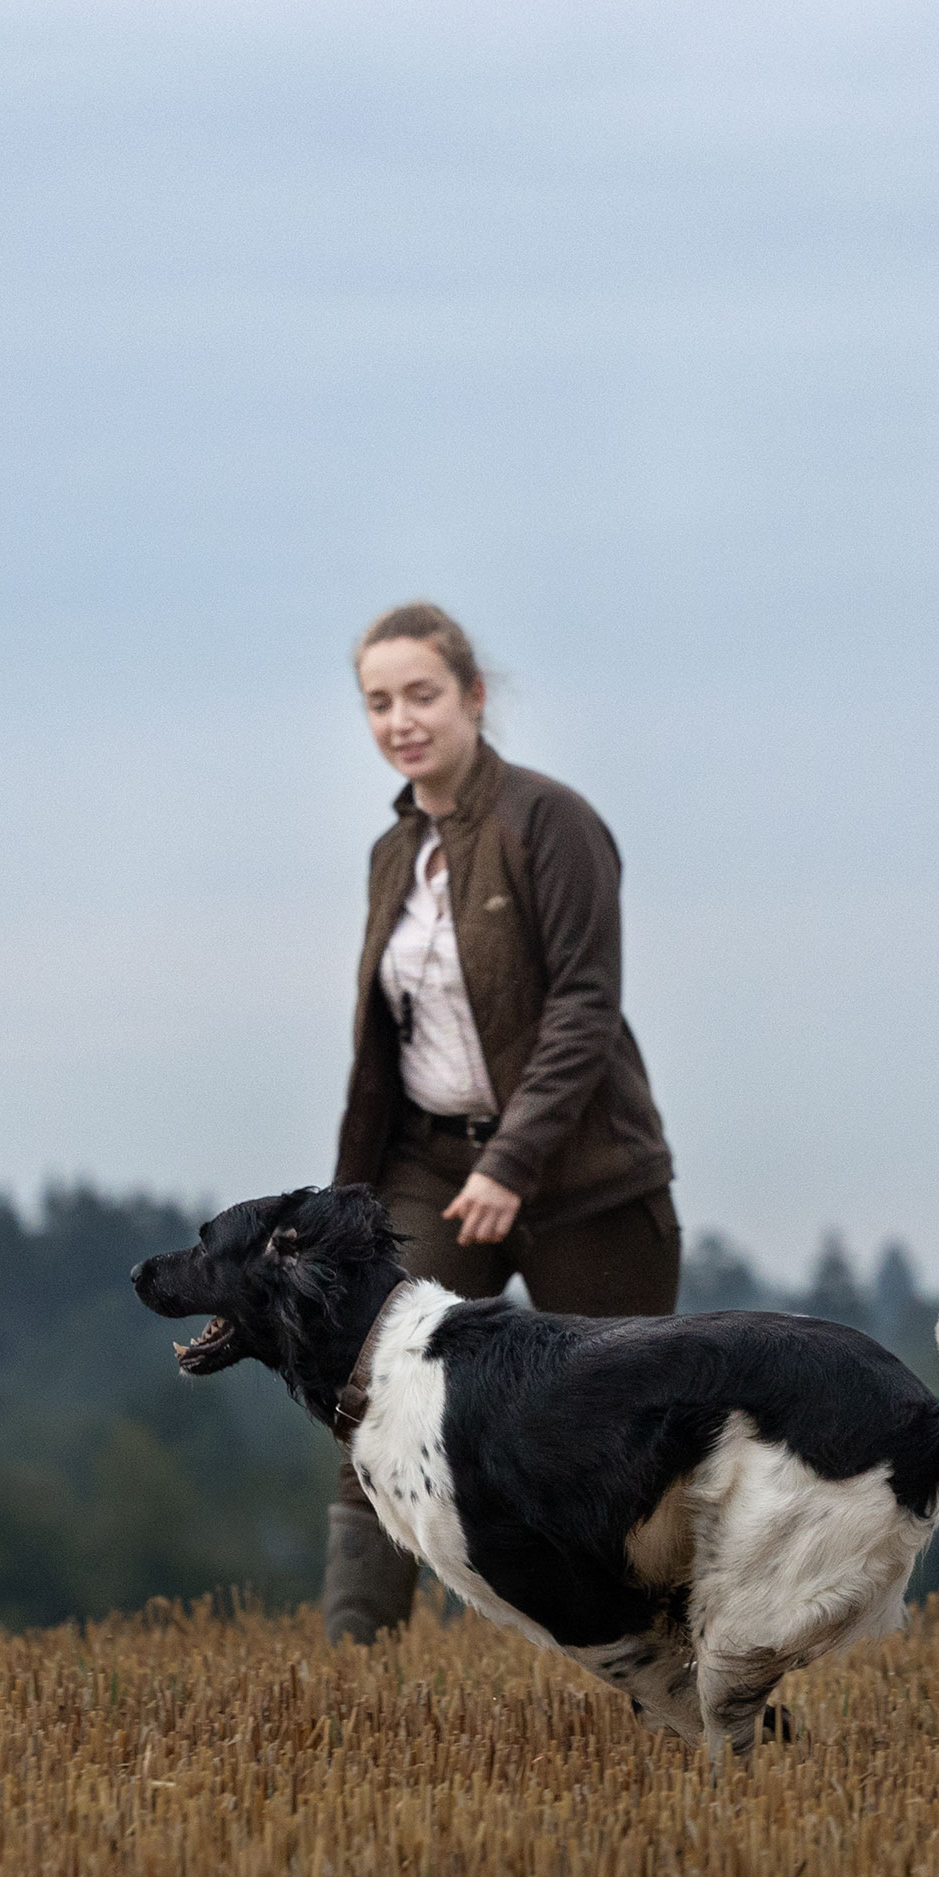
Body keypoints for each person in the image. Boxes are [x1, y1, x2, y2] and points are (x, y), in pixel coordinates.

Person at [321, 601, 681, 1643]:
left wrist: (516, 1161)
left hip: (585, 1179)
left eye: (421, 694)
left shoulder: (551, 821)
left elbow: (584, 1001)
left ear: (474, 697)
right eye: (378, 702)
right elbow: (387, 1045)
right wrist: (349, 1214)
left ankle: (688, 1675)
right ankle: (355, 1668)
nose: (401, 719)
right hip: (431, 1168)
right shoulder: (394, 854)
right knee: (369, 1405)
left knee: (628, 1445)